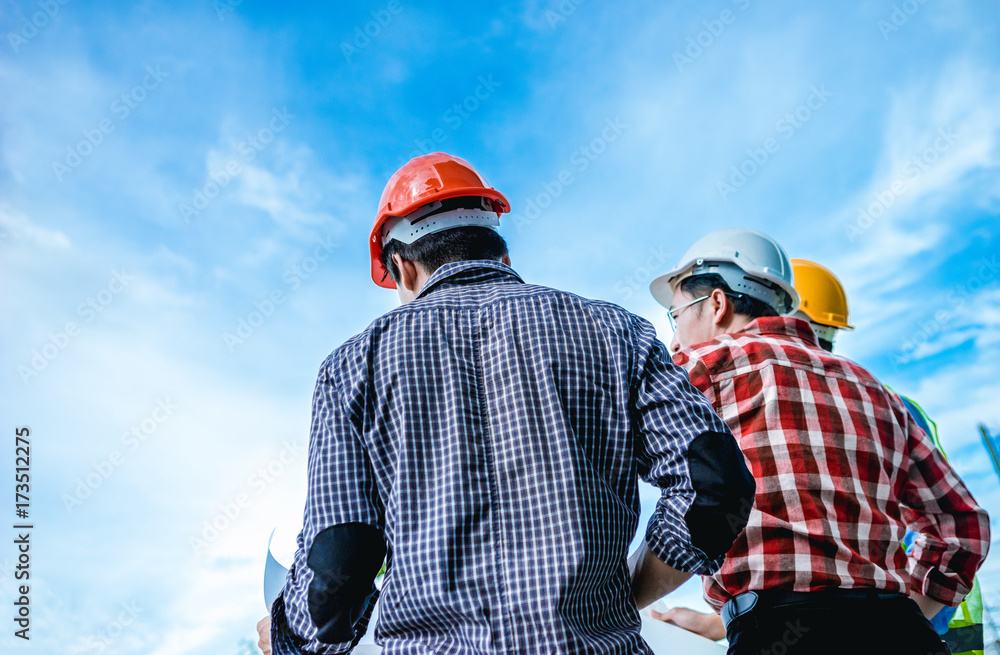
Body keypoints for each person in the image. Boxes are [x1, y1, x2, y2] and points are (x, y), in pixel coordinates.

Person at [255, 153, 756, 654]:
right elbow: (716, 485)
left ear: (403, 270)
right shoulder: (616, 332)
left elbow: (341, 563)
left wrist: (285, 635)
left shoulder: (352, 367)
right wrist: (624, 596)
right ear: (503, 255)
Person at [645, 229, 989, 655]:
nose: (675, 337)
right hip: (902, 629)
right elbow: (962, 526)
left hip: (774, 631)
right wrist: (910, 613)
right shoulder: (874, 388)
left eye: (676, 316)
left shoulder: (698, 369)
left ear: (716, 303)